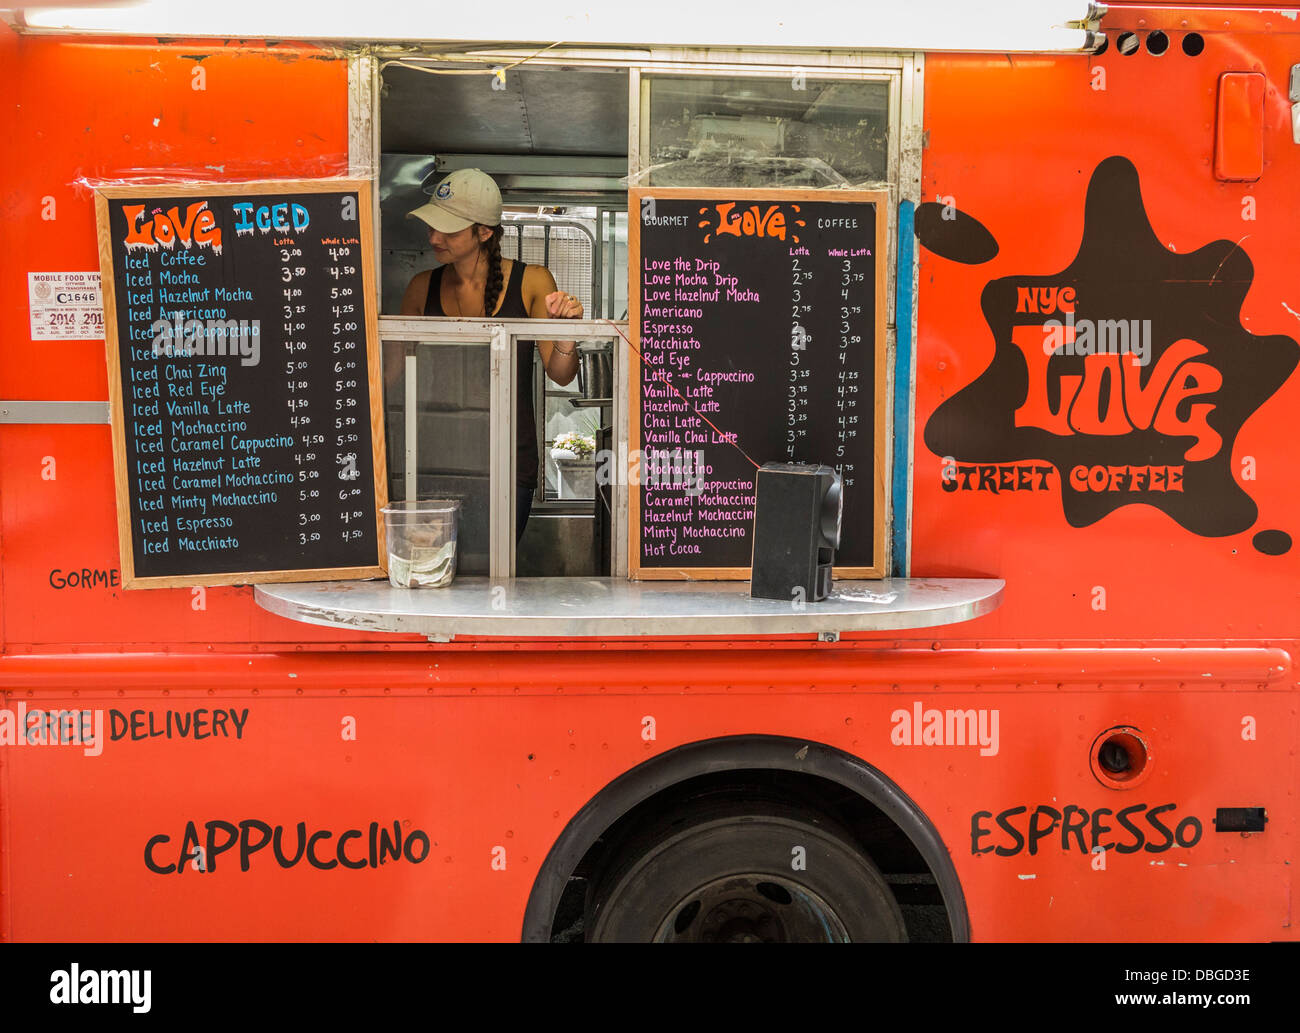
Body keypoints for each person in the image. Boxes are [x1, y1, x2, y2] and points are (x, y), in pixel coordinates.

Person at [401, 168, 582, 542]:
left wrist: (567, 329)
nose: (433, 237)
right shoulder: (421, 288)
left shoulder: (532, 281)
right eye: (431, 226)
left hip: (509, 464)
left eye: (448, 229)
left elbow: (561, 374)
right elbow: (389, 378)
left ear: (484, 232)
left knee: (493, 582)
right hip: (436, 461)